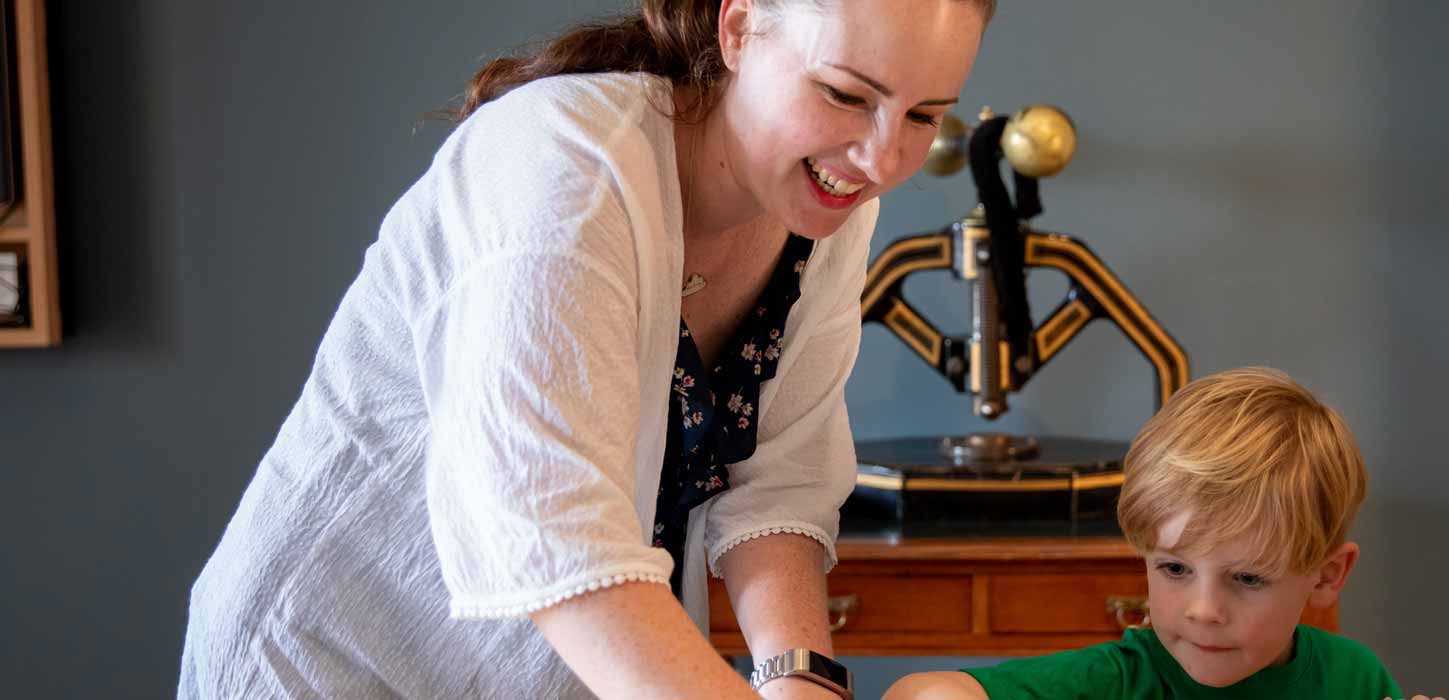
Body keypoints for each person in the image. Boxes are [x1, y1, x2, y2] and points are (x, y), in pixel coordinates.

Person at [177, 0, 990, 698]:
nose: (883, 161)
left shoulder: (825, 205)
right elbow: (554, 533)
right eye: (846, 95)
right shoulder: (567, 172)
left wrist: (798, 678)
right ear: (740, 29)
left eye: (925, 115)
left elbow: (780, 487)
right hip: (327, 662)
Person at [886, 367, 1437, 700]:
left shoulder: (1354, 679)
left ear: (1327, 575)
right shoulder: (1115, 682)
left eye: (1247, 578)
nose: (1203, 610)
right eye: (1175, 569)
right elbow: (920, 692)